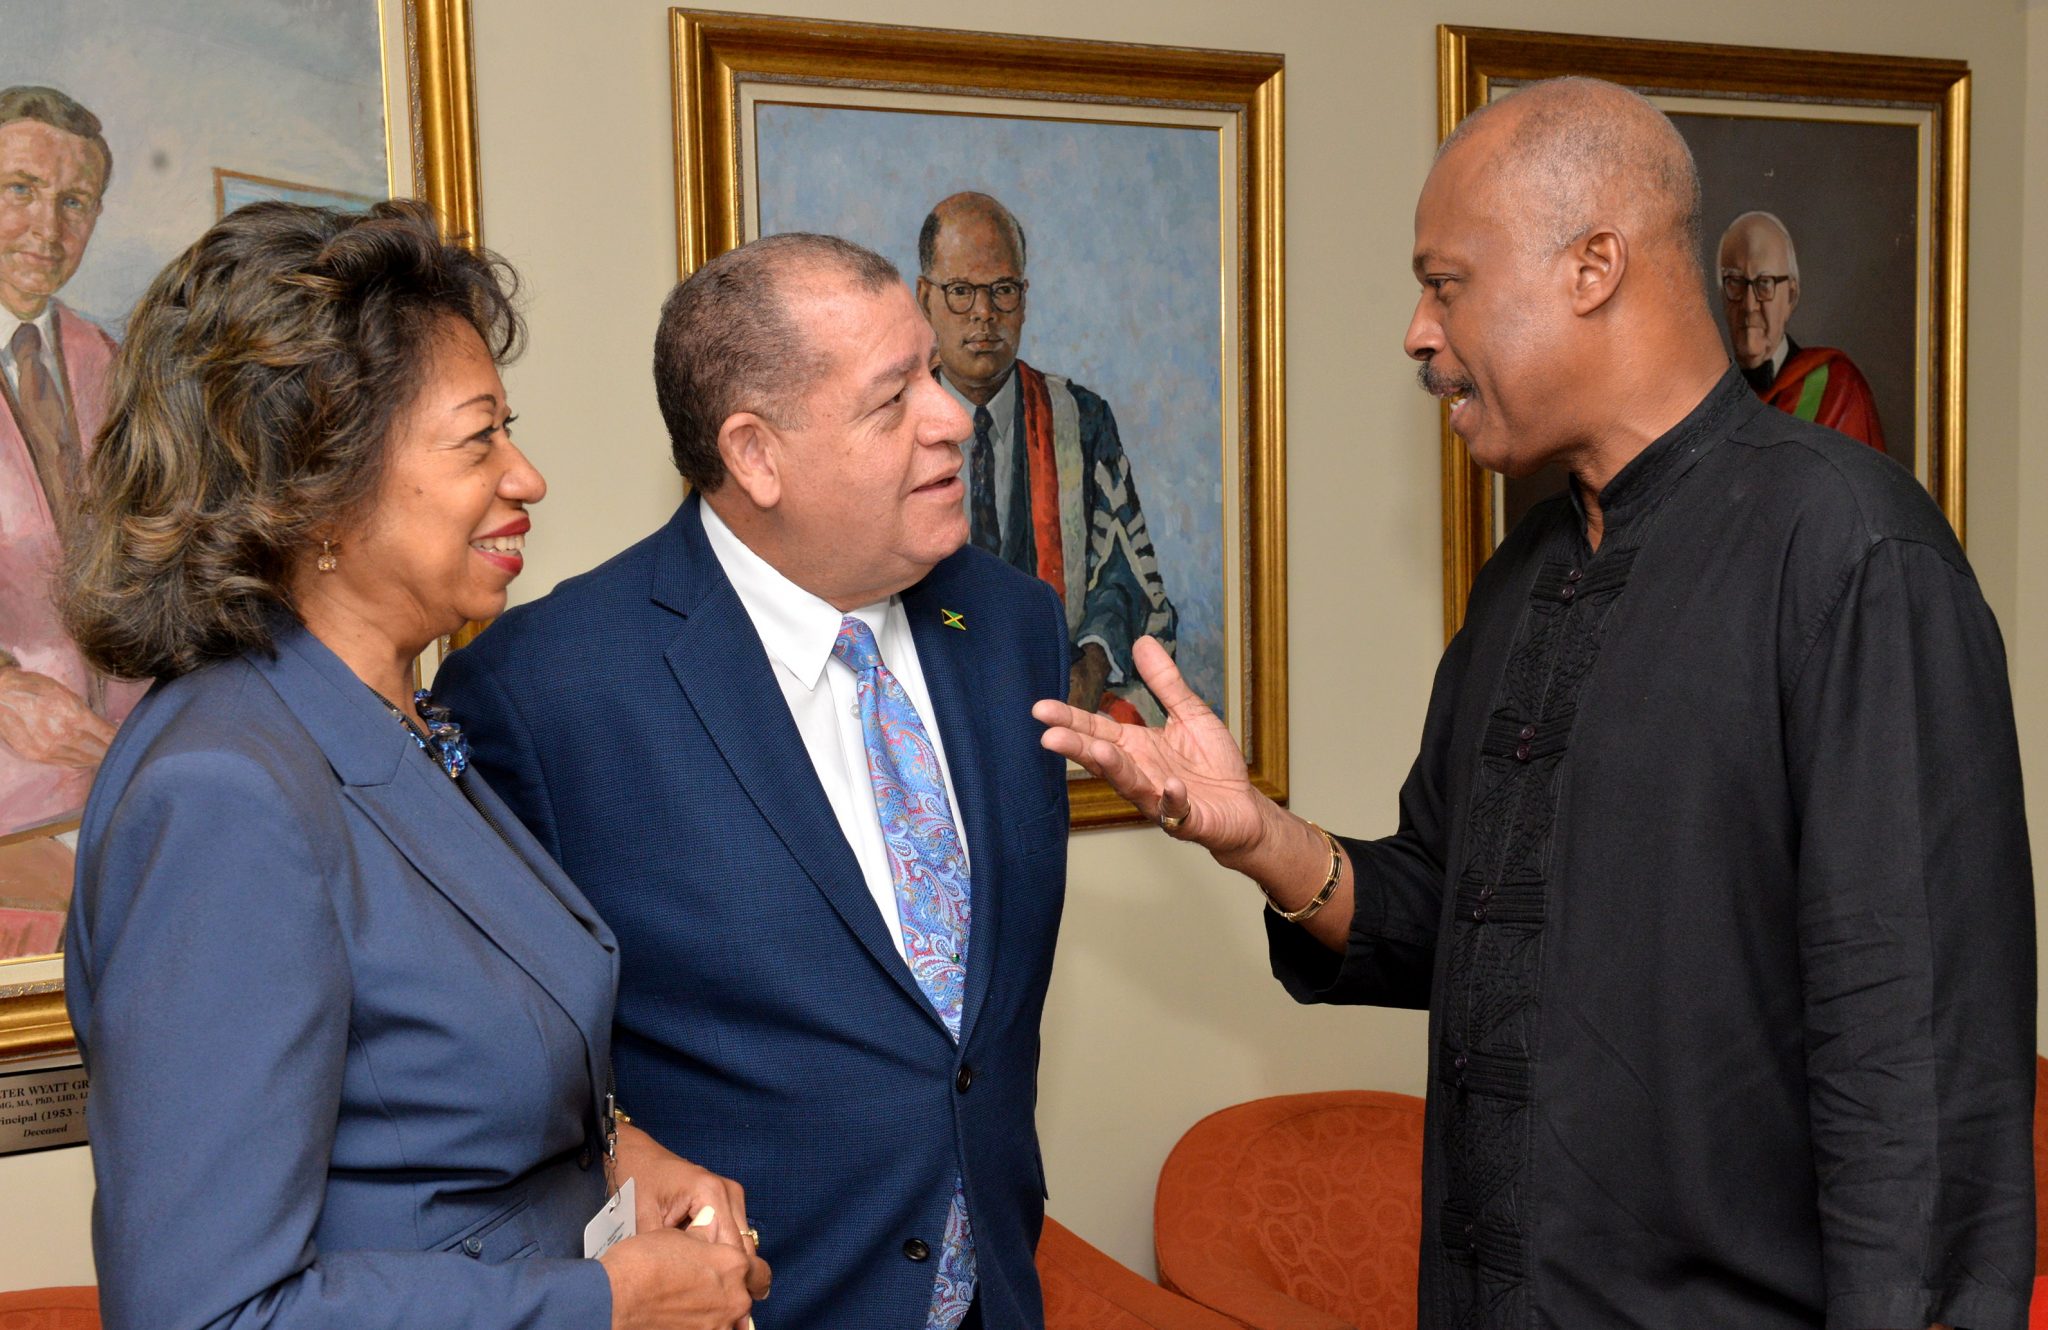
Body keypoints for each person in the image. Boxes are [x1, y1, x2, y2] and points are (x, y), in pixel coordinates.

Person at [1038, 78, 2033, 1330]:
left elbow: (1919, 1075)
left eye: (1443, 281)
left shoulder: (1848, 555)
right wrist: (1258, 835)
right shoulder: (1524, 575)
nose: (1414, 329)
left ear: (1592, 266)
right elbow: (1449, 921)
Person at [62, 200, 769, 1330]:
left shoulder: (396, 721)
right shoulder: (223, 793)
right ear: (321, 487)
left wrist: (621, 1163)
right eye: (478, 436)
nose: (526, 476)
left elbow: (435, 1104)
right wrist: (597, 1308)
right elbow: (204, 1315)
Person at [434, 232, 1071, 1329]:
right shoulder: (544, 693)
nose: (953, 415)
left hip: (993, 1295)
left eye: (932, 369)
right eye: (893, 398)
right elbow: (509, 1079)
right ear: (755, 454)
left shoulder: (1011, 625)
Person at [916, 191, 1176, 724]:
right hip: (931, 688)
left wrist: (1093, 662)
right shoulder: (896, 424)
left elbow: (1123, 576)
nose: (984, 314)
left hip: (1061, 688)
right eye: (961, 291)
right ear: (925, 298)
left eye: (1003, 291)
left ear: (1025, 298)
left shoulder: (1080, 420)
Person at [0, 85, 146, 947]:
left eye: (73, 202)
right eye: (18, 189)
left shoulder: (110, 361)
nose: (46, 230)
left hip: (121, 796)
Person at [1719, 209, 1886, 451]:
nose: (1749, 304)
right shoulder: (1709, 395)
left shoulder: (1839, 388)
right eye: (1735, 283)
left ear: (1792, 295)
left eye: (1764, 284)